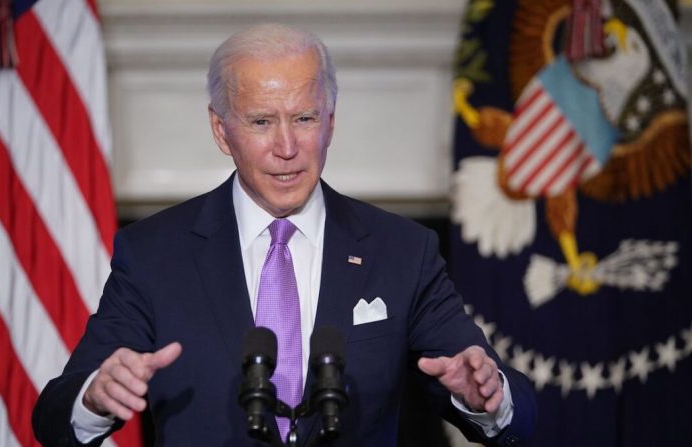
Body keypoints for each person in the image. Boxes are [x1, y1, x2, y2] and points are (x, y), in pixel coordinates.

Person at [32, 23, 536, 447]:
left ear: (331, 123)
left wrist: (487, 398)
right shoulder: (152, 255)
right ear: (220, 129)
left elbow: (518, 411)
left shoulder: (403, 251)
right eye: (260, 121)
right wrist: (95, 396)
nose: (287, 146)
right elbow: (54, 417)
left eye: (304, 118)